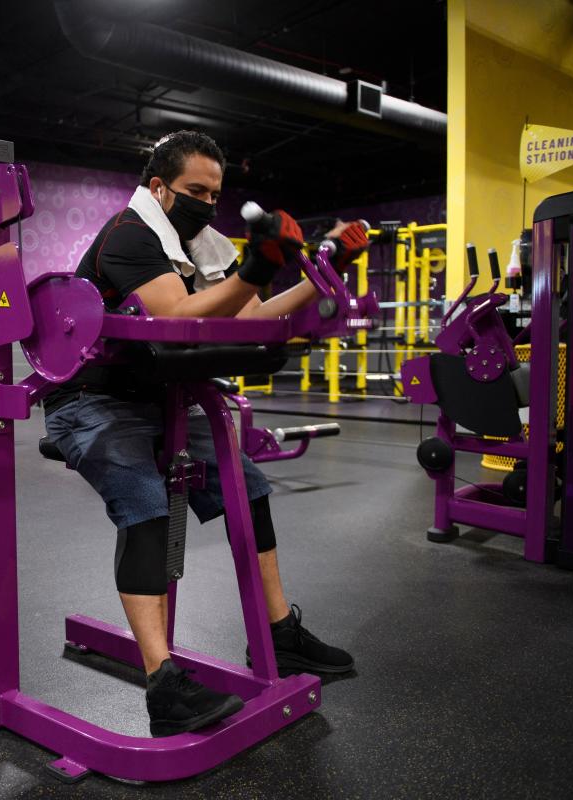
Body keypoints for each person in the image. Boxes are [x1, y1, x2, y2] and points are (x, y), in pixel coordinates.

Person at [44, 130, 368, 737]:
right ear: (159, 187)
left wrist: (323, 268)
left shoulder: (204, 242)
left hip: (165, 393)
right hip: (90, 399)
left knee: (250, 488)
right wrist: (253, 268)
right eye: (195, 191)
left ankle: (279, 635)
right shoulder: (130, 234)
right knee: (145, 506)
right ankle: (163, 683)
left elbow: (253, 315)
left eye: (215, 194)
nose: (205, 204)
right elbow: (175, 314)